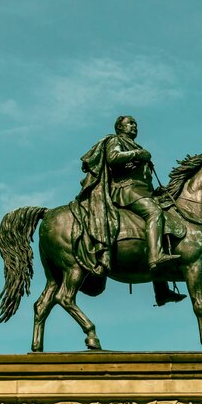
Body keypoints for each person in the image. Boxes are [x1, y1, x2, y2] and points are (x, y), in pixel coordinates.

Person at [74, 115, 184, 306]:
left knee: (166, 221)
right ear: (119, 127)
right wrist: (138, 155)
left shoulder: (134, 145)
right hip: (126, 190)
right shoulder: (116, 141)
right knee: (154, 214)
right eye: (130, 123)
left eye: (135, 124)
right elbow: (113, 157)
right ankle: (155, 256)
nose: (134, 126)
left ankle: (162, 290)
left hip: (141, 191)